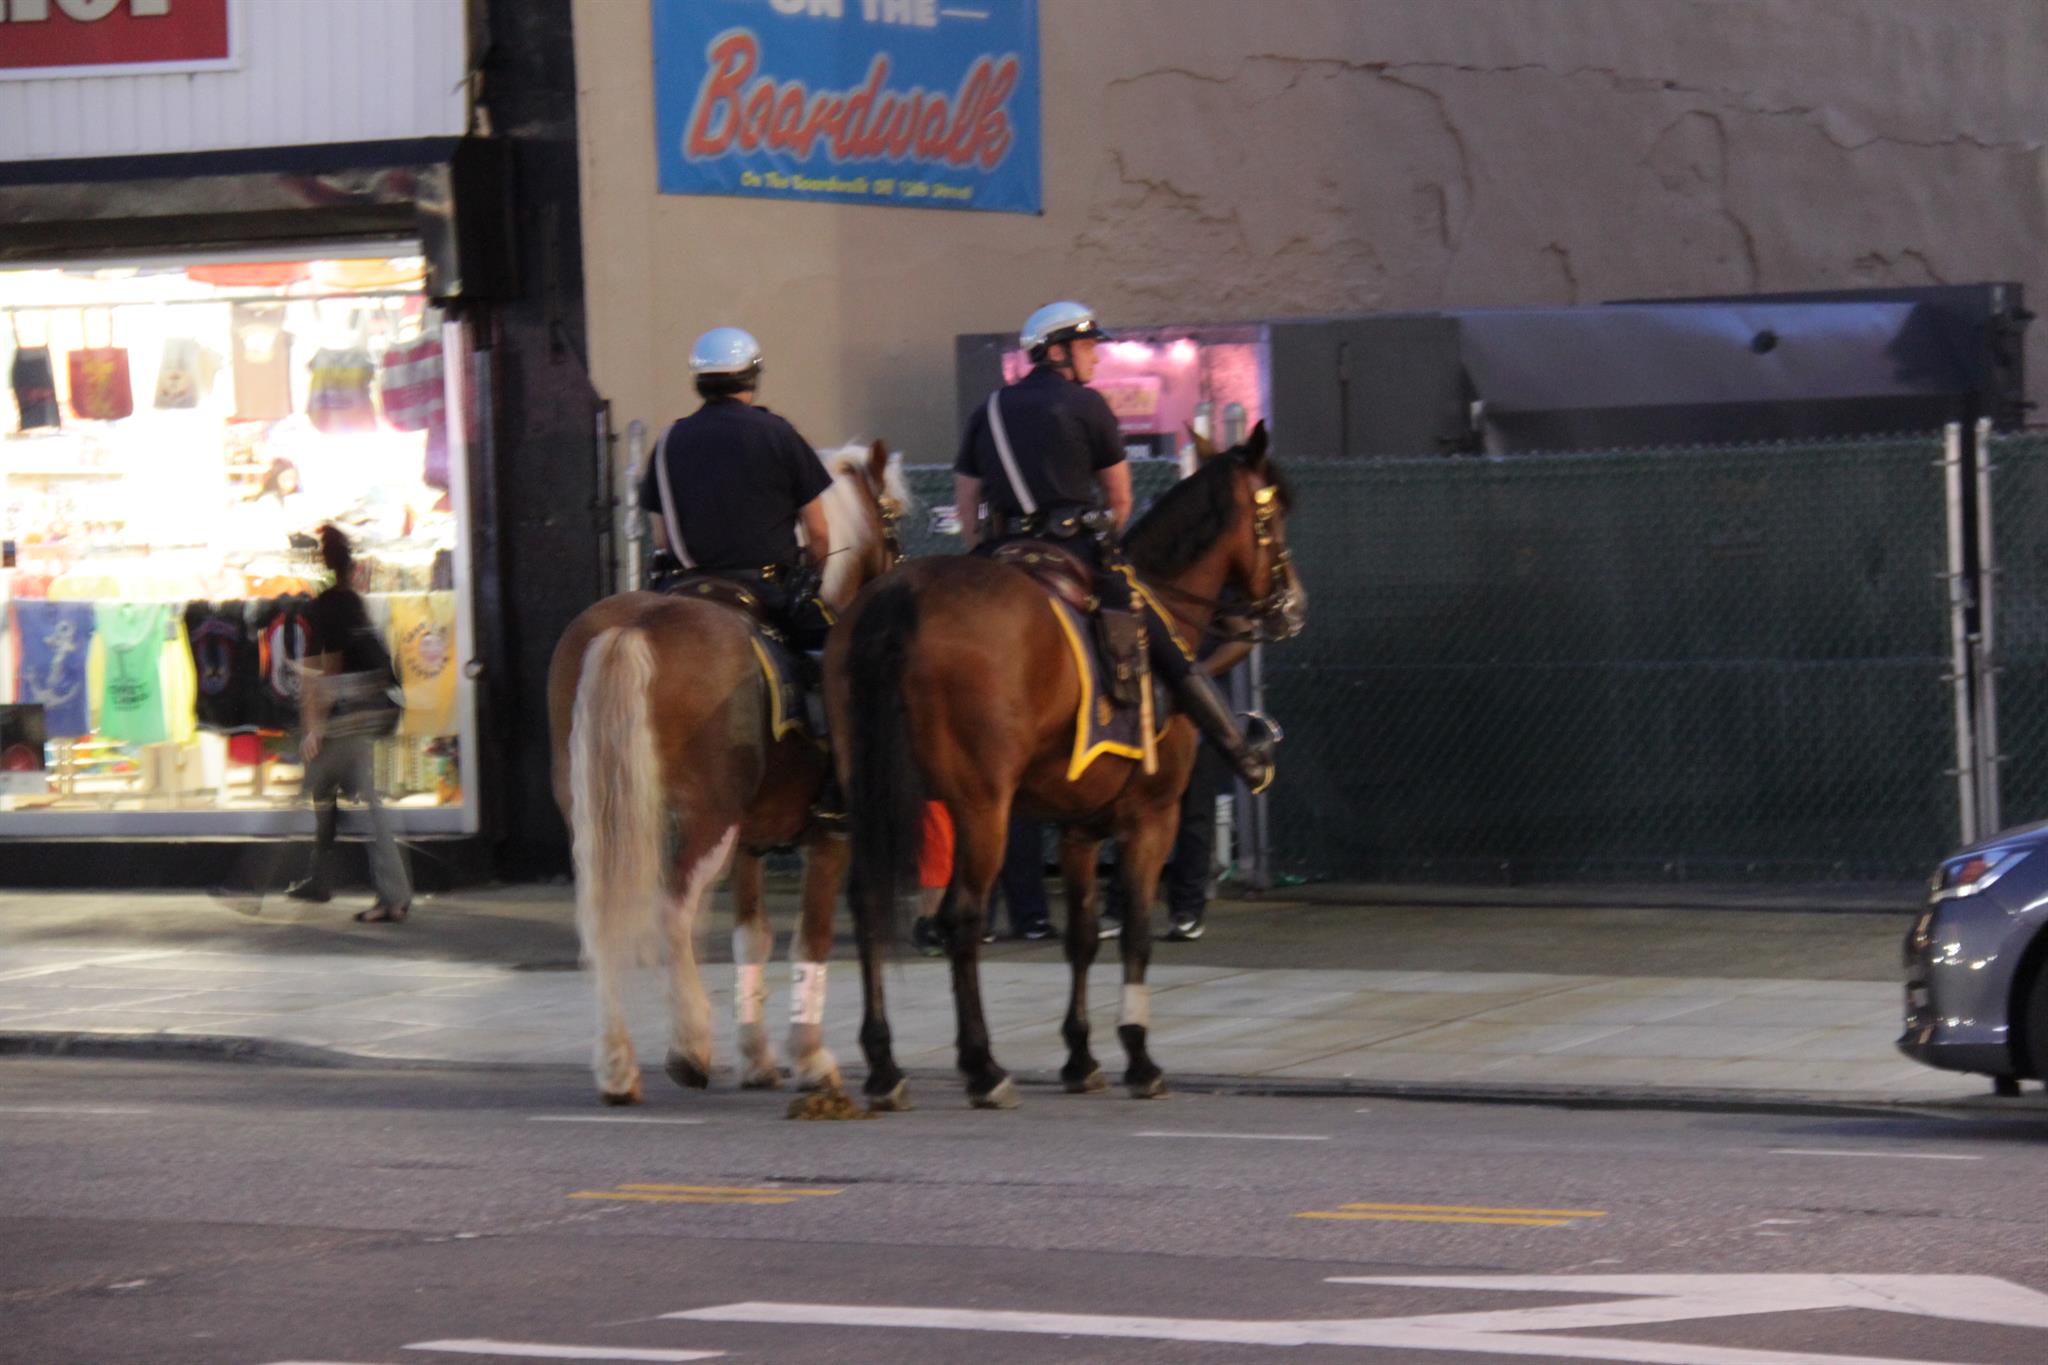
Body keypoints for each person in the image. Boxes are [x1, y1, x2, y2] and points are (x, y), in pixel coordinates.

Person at [953, 300, 1278, 792]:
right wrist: (1102, 545)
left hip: (999, 553)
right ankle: (1242, 752)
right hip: (1071, 548)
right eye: (1087, 346)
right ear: (1057, 351)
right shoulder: (1088, 406)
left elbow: (966, 508)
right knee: (1161, 635)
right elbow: (1120, 499)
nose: (1096, 356)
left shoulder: (988, 410)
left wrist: (989, 549)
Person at [638, 327, 835, 651]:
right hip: (767, 591)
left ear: (698, 381)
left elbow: (662, 539)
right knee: (834, 655)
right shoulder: (779, 434)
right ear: (752, 377)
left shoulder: (668, 440)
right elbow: (819, 533)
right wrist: (810, 580)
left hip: (682, 588)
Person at [287, 524, 412, 922]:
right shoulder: (353, 601)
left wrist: (314, 728)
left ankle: (388, 895)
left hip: (349, 718)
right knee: (346, 796)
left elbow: (323, 673)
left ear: (320, 564)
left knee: (338, 796)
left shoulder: (321, 608)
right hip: (374, 709)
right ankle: (355, 885)